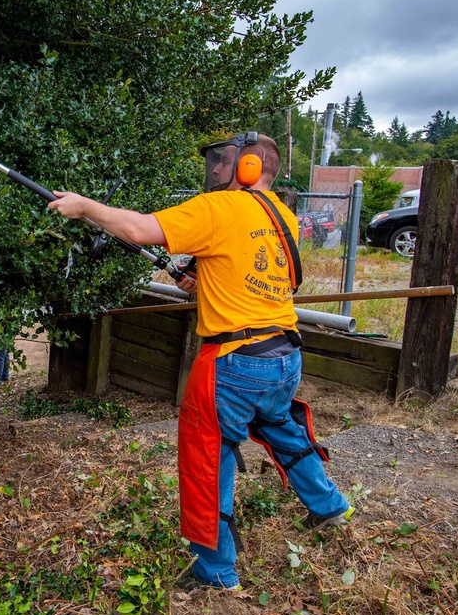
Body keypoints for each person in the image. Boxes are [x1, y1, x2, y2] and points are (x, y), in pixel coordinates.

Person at [47, 133, 352, 591]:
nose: (213, 170)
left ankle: (215, 573)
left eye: (221, 161)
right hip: (285, 357)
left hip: (234, 363)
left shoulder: (218, 209)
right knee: (284, 431)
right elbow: (262, 276)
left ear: (247, 167)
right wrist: (205, 279)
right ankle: (330, 507)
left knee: (208, 461)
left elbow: (137, 230)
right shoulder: (284, 216)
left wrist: (85, 206)